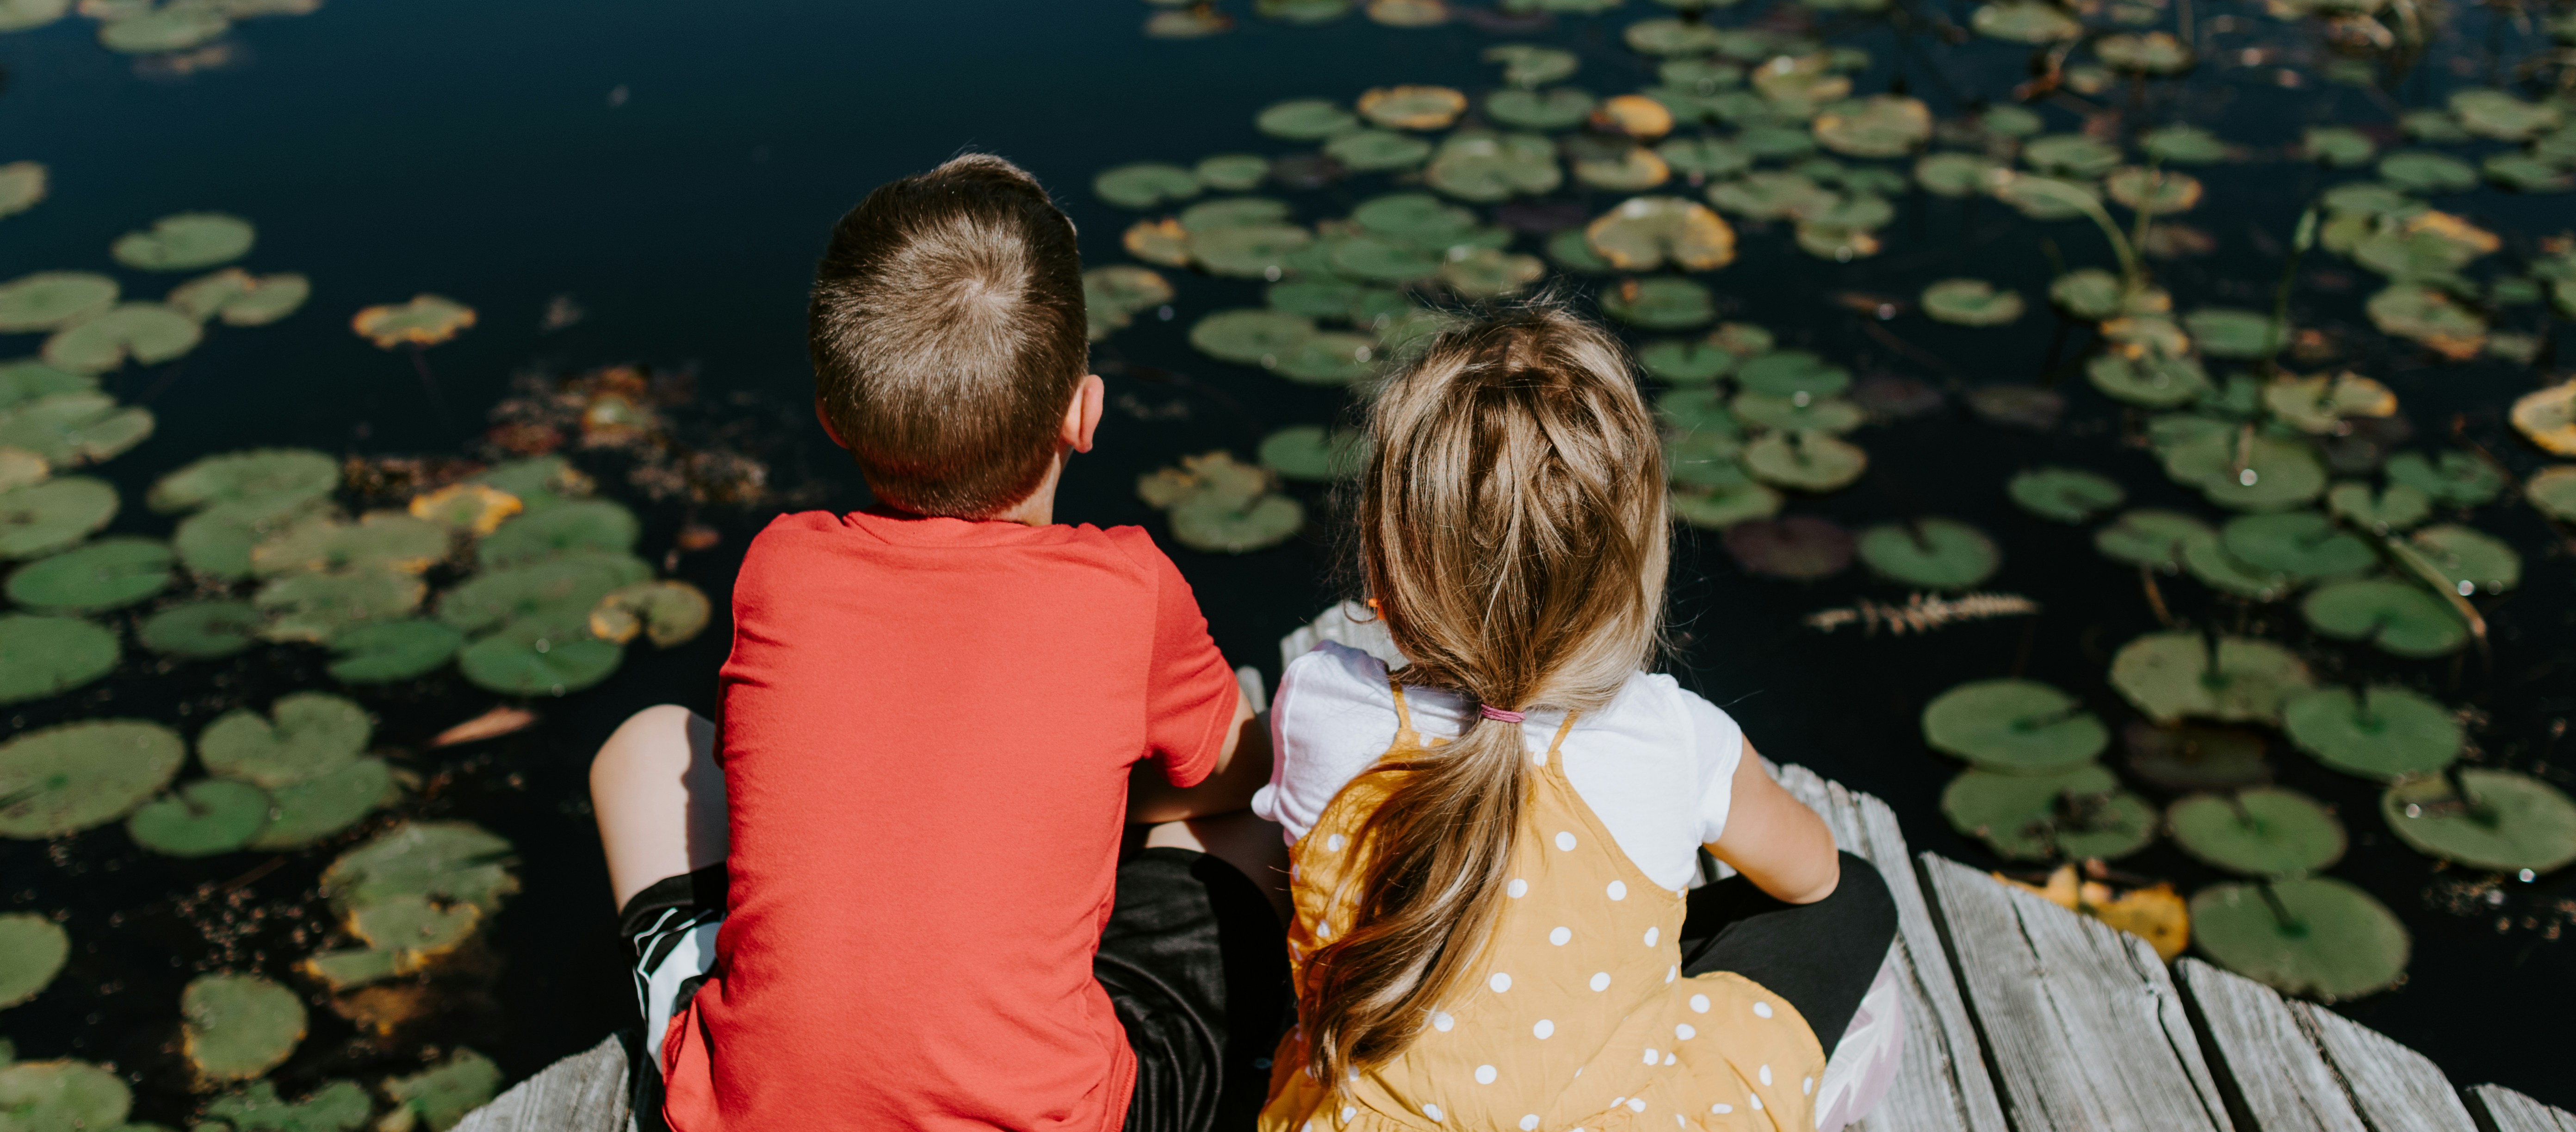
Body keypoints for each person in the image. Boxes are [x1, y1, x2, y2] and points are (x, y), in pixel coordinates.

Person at [589, 153, 1289, 1132]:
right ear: (1083, 413)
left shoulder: (778, 564)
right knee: (1249, 828)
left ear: (833, 418)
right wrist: (1091, 796)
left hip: (753, 1116)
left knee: (647, 745)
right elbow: (1243, 773)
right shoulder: (1129, 587)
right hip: (1051, 1119)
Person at [1253, 303, 1903, 1132]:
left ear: (1386, 554)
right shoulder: (1676, 738)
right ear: (1635, 566)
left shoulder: (1320, 703)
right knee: (1860, 899)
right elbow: (1810, 876)